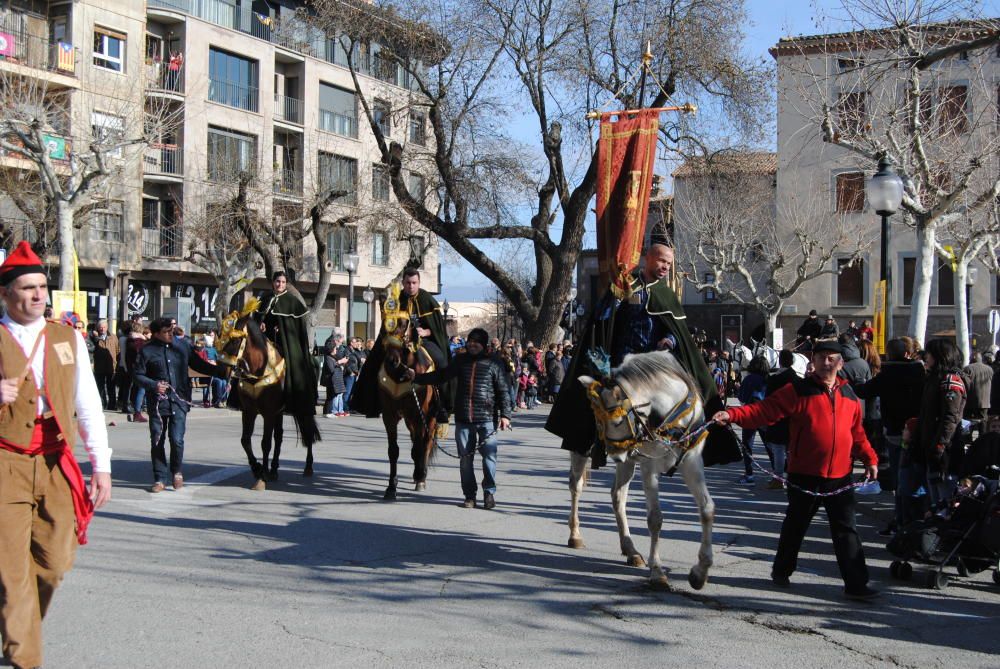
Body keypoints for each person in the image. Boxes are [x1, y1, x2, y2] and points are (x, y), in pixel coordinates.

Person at [0, 241, 112, 669]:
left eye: (42, 287)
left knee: (53, 564)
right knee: (12, 573)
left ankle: (18, 626)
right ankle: (25, 657)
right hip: (6, 462)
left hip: (55, 461)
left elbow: (88, 404)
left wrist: (100, 466)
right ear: (6, 294)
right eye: (27, 288)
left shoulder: (67, 337)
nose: (37, 295)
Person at [548, 237, 739, 468]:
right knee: (599, 397)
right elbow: (601, 319)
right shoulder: (625, 285)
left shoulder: (667, 296)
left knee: (685, 394)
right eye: (661, 261)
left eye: (669, 264)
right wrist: (617, 297)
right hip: (622, 361)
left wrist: (669, 339)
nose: (665, 267)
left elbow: (679, 334)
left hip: (653, 364)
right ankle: (591, 440)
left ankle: (680, 440)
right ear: (647, 258)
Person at [712, 340, 880, 600]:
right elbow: (764, 411)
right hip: (805, 474)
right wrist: (732, 416)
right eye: (822, 357)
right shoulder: (798, 390)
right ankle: (782, 570)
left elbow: (857, 433)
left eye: (831, 358)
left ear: (840, 363)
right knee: (795, 526)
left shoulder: (850, 396)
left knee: (847, 531)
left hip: (840, 477)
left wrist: (869, 458)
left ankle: (856, 585)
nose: (827, 362)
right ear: (812, 361)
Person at [407, 328, 512, 509]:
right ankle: (469, 496)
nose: (472, 344)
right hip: (464, 418)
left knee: (489, 459)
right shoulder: (460, 361)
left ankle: (489, 493)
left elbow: (503, 390)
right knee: (465, 461)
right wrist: (417, 377)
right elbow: (441, 376)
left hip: (487, 419)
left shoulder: (494, 363)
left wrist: (505, 415)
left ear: (483, 344)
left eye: (476, 342)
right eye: (470, 341)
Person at [133, 317, 226, 492]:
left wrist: (221, 371)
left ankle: (176, 472)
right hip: (158, 404)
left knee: (177, 439)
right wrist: (153, 385)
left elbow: (199, 364)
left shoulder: (183, 346)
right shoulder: (147, 351)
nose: (171, 334)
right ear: (157, 333)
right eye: (167, 332)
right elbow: (137, 375)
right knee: (157, 440)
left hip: (179, 401)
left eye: (172, 330)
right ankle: (160, 478)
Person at [351, 267, 451, 421]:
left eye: (414, 283)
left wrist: (425, 332)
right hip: (398, 341)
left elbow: (437, 329)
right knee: (374, 361)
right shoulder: (396, 299)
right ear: (403, 283)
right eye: (408, 283)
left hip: (423, 341)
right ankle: (372, 404)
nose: (411, 286)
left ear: (419, 283)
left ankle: (442, 406)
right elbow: (388, 323)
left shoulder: (427, 300)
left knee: (442, 362)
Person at [855, 337, 925, 534]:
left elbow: (864, 391)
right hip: (919, 431)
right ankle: (911, 521)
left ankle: (902, 520)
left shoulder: (888, 374)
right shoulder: (921, 373)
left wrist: (849, 381)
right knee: (915, 479)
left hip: (895, 431)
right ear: (908, 353)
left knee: (901, 479)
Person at [909, 338, 967, 516]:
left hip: (944, 453)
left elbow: (950, 418)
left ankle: (943, 539)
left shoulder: (950, 380)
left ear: (941, 356)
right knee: (935, 501)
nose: (926, 357)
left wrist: (939, 447)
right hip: (931, 448)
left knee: (945, 502)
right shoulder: (935, 378)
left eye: (930, 353)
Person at [260, 271, 320, 440]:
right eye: (277, 282)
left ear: (286, 284)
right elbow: (258, 318)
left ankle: (294, 394)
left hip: (284, 342)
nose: (280, 284)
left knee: (297, 365)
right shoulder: (264, 299)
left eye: (283, 282)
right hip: (265, 342)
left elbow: (295, 327)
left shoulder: (292, 302)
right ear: (273, 283)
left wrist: (282, 327)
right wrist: (262, 325)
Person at [762, 349, 801, 490]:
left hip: (778, 417)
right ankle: (793, 477)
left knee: (778, 449)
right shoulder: (796, 379)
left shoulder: (774, 379)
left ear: (780, 361)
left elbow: (767, 400)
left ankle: (778, 478)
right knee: (791, 450)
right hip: (793, 418)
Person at [735, 355, 769, 485]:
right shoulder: (768, 379)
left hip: (750, 415)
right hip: (765, 415)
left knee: (747, 445)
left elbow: (742, 398)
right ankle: (778, 475)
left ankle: (749, 474)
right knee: (769, 446)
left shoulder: (749, 379)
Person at [90, 319, 119, 409]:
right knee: (100, 387)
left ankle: (112, 405)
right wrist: (96, 337)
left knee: (111, 387)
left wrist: (116, 363)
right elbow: (92, 348)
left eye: (104, 327)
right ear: (97, 328)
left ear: (107, 327)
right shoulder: (94, 337)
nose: (102, 329)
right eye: (100, 327)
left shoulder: (113, 337)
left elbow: (117, 350)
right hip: (99, 366)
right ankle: (102, 404)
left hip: (111, 366)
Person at [962, 351, 992, 434]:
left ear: (973, 358)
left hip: (970, 401)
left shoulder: (967, 368)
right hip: (985, 402)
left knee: (968, 422)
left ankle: (968, 440)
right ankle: (983, 440)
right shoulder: (989, 369)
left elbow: (964, 384)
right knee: (983, 423)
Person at [321, 331, 348, 417]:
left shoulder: (333, 357)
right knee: (330, 396)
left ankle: (329, 412)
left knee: (331, 396)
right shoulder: (329, 357)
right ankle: (328, 412)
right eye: (335, 349)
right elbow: (331, 368)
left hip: (333, 379)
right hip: (330, 379)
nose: (337, 350)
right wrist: (340, 362)